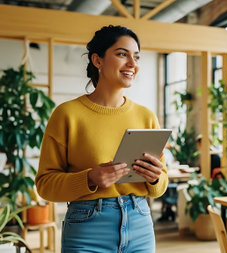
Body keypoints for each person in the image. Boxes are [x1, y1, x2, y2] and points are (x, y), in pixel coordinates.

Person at [35, 25, 168, 252]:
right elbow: (45, 185)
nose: (132, 64)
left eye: (136, 57)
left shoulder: (146, 116)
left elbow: (160, 184)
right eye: (121, 54)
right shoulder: (67, 114)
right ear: (98, 61)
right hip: (87, 228)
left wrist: (155, 178)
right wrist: (90, 178)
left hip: (140, 225)